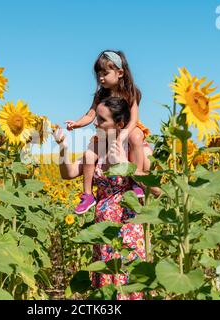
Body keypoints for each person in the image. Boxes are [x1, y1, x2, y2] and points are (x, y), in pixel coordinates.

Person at [54, 96, 160, 300]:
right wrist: (62, 147)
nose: (96, 123)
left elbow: (157, 189)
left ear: (119, 124)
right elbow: (67, 173)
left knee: (128, 287)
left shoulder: (135, 148)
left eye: (102, 119)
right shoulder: (96, 148)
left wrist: (126, 165)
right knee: (106, 292)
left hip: (127, 232)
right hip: (103, 234)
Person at [65, 50, 151, 214]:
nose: (100, 78)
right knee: (89, 155)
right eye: (98, 74)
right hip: (106, 133)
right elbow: (91, 114)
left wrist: (123, 135)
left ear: (119, 73)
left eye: (105, 73)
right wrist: (77, 124)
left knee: (137, 136)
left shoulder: (131, 92)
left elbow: (133, 120)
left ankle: (134, 181)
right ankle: (88, 195)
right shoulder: (100, 94)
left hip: (127, 128)